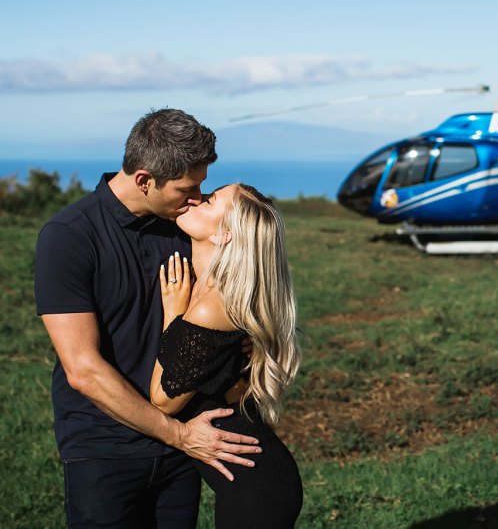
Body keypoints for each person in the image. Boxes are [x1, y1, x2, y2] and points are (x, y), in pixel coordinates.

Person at [35, 109, 262, 528]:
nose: (196, 197)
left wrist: (240, 344)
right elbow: (83, 370)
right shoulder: (69, 236)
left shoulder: (184, 226)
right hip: (103, 451)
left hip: (183, 447)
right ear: (144, 180)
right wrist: (179, 435)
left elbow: (223, 303)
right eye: (186, 188)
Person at [151, 183, 303, 528]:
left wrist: (172, 315)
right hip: (256, 477)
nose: (195, 199)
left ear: (224, 235)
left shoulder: (211, 308)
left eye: (209, 201)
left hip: (257, 487)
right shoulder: (215, 292)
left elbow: (163, 401)